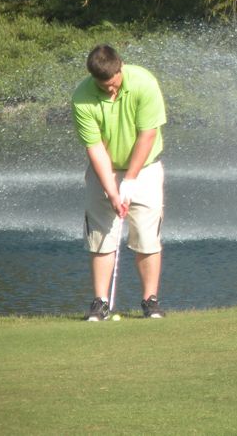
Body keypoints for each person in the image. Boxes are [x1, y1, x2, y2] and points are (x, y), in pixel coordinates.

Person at [72, 44, 167, 320]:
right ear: (93, 80)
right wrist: (113, 191)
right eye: (104, 87)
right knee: (101, 235)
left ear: (121, 67)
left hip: (145, 167)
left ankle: (150, 301)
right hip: (105, 169)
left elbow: (147, 135)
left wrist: (131, 179)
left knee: (147, 236)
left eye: (113, 84)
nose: (110, 91)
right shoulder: (82, 97)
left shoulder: (144, 83)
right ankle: (100, 302)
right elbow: (95, 148)